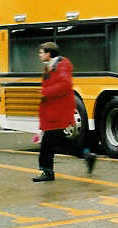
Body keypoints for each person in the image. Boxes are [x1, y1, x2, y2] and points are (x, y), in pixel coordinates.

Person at [32, 41, 96, 182]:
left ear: (48, 54)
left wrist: (45, 92)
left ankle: (47, 172)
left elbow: (65, 85)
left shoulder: (61, 66)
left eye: (41, 52)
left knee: (47, 145)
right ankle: (86, 155)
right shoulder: (51, 67)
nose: (39, 55)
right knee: (62, 143)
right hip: (53, 112)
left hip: (58, 112)